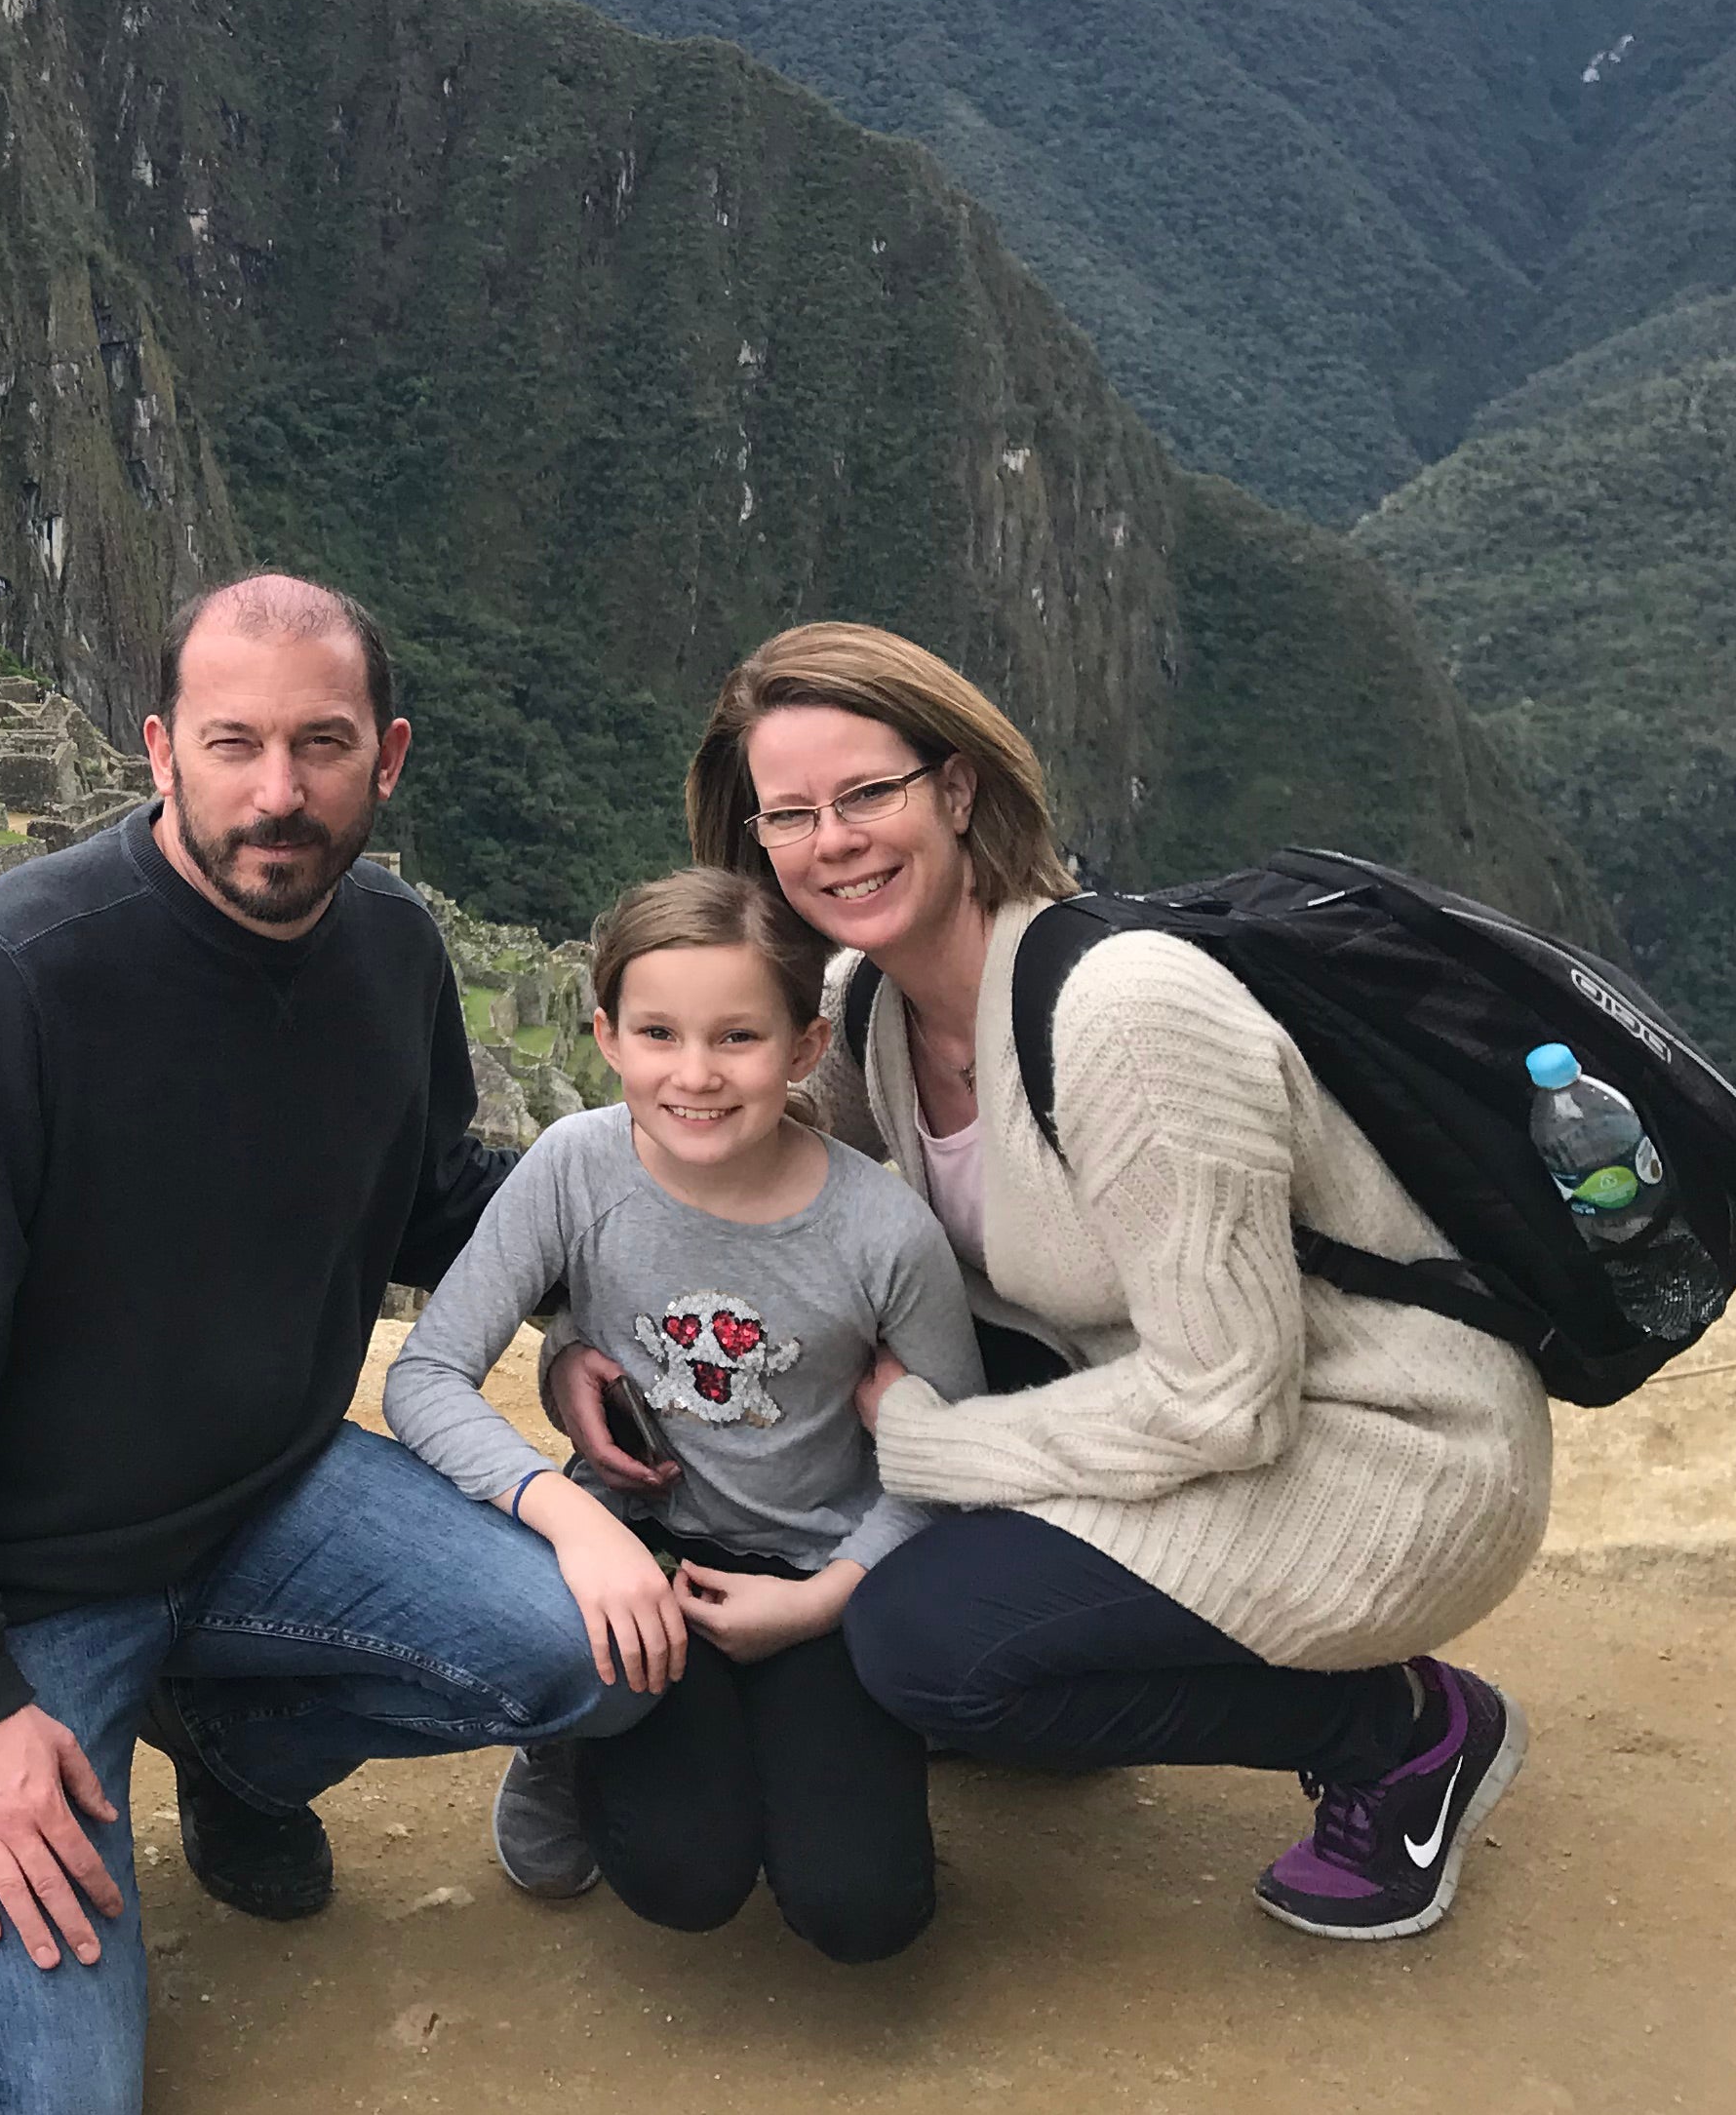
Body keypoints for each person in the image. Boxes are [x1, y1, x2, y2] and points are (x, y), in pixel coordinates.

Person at [0, 574, 652, 2115]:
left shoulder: (389, 952)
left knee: (590, 1652)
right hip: (17, 1580)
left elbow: (433, 1196)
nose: (277, 793)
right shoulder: (13, 987)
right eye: (235, 744)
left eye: (321, 744)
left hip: (261, 1504)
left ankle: (228, 1740)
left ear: (391, 756)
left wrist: (608, 1289)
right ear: (162, 749)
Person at [537, 623, 1549, 1941]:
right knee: (913, 1577)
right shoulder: (873, 1016)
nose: (831, 839)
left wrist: (935, 1446)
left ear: (957, 790)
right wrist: (575, 1345)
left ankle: (1398, 1732)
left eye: (869, 794)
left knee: (925, 1648)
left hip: (1368, 1451)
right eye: (789, 814)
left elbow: (1231, 1400)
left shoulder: (1124, 1015)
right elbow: (732, 1206)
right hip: (1137, 1400)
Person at [384, 869, 981, 1961]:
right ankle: (567, 1734)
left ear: (805, 1050)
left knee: (864, 1911)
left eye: (738, 1038)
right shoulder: (576, 1168)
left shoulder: (881, 1233)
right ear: (606, 1036)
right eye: (659, 1033)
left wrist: (826, 1602)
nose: (695, 1076)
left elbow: (953, 1454)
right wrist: (574, 1519)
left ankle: (820, 1744)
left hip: (820, 1572)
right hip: (642, 1563)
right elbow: (424, 1377)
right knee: (682, 1883)